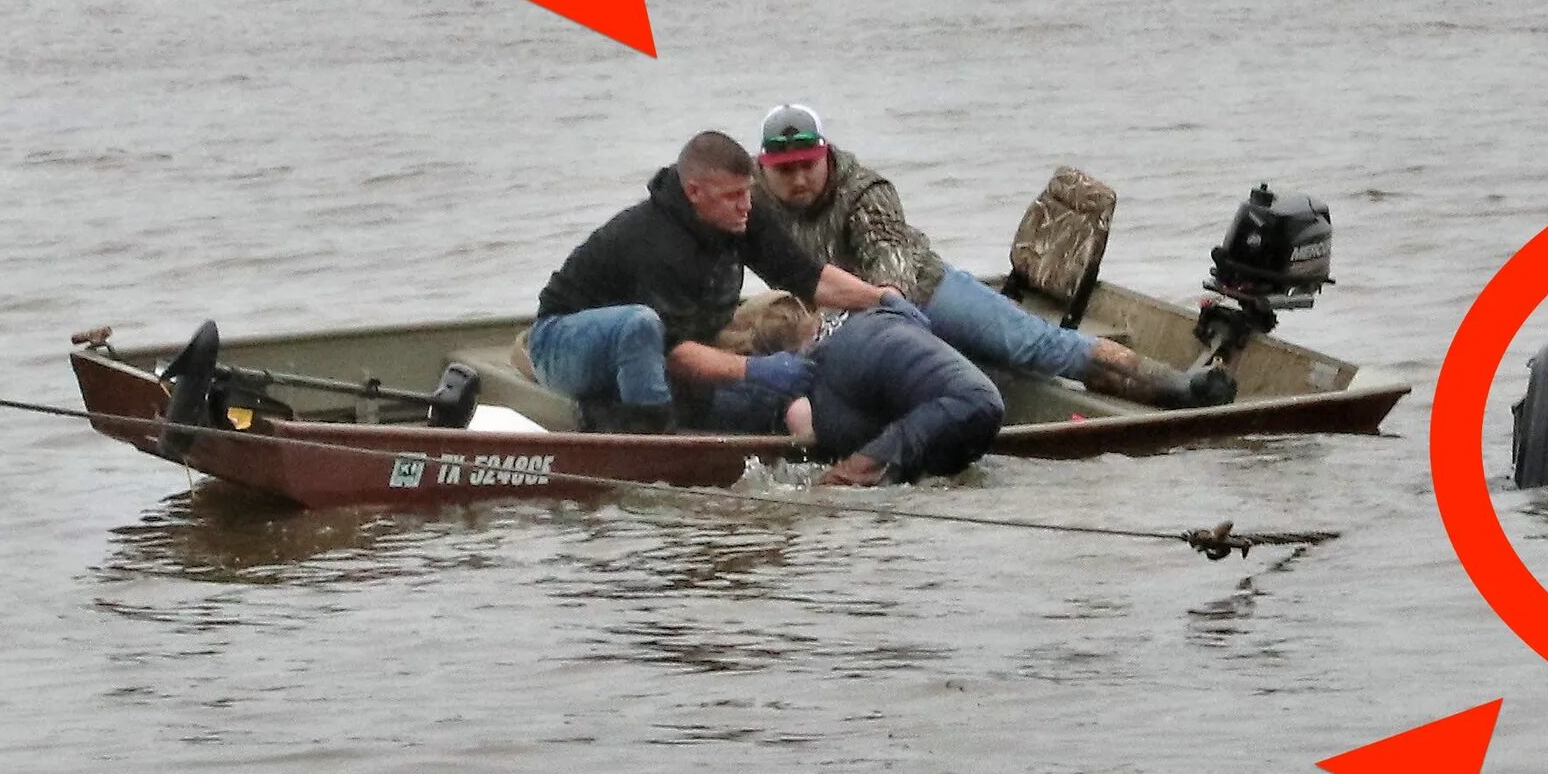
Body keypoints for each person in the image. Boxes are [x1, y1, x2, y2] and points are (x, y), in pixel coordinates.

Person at [748, 103, 1234, 408]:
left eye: (807, 166)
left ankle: (1178, 386)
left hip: (922, 291)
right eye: (784, 170)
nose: (798, 181)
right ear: (763, 167)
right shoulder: (745, 196)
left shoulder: (865, 191)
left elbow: (891, 272)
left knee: (1035, 347)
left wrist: (869, 325)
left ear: (826, 155)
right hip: (832, 317)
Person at [527, 131, 887, 431]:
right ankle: (643, 430)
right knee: (640, 327)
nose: (745, 204)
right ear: (695, 192)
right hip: (562, 343)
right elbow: (674, 352)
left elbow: (807, 277)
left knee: (767, 385)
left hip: (666, 347)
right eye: (733, 196)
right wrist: (756, 369)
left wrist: (881, 298)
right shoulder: (654, 242)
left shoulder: (741, 215)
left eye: (748, 191)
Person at [721, 290, 1007, 485]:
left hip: (969, 404)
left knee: (830, 487)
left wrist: (847, 474)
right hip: (964, 406)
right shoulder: (870, 320)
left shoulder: (820, 373)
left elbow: (977, 402)